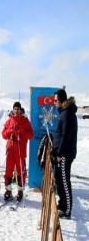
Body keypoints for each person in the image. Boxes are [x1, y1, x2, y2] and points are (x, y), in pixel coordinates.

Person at [52, 89, 78, 219]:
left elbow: (66, 136)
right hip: (61, 153)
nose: (54, 103)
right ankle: (62, 205)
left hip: (65, 154)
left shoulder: (67, 114)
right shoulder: (64, 113)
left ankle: (67, 209)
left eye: (55, 100)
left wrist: (60, 153)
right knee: (59, 180)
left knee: (64, 181)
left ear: (61, 101)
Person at [2, 102, 34, 202]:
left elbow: (31, 134)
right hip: (10, 150)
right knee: (8, 171)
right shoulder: (9, 121)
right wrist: (10, 131)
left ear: (21, 110)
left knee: (21, 171)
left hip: (20, 150)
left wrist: (22, 132)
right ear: (13, 110)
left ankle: (20, 191)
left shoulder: (25, 121)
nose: (16, 111)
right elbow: (3, 134)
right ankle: (8, 190)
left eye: (18, 109)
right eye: (15, 109)